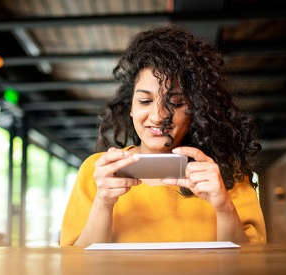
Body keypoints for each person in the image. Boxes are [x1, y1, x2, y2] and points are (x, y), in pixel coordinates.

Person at [59, 24, 266, 247]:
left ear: (196, 109)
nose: (158, 116)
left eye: (175, 103)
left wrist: (223, 207)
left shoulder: (227, 174)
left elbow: (250, 263)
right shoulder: (97, 171)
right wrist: (103, 202)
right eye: (145, 101)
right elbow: (76, 263)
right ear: (130, 107)